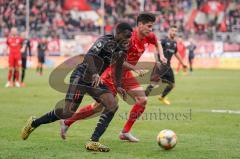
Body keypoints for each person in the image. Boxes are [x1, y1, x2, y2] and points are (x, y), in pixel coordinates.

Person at [21, 22, 133, 152]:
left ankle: (93, 142)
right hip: (81, 76)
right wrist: (96, 73)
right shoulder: (105, 41)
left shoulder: (122, 47)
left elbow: (118, 66)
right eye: (126, 35)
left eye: (130, 36)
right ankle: (34, 122)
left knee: (112, 104)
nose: (128, 38)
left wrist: (118, 85)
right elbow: (89, 56)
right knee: (67, 112)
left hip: (94, 80)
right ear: (118, 33)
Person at [59, 13, 167, 142]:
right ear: (140, 25)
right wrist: (135, 68)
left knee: (142, 100)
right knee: (99, 107)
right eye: (149, 26)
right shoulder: (128, 39)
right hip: (112, 74)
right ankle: (67, 122)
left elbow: (158, 42)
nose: (151, 29)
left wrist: (162, 56)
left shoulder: (149, 36)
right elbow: (115, 60)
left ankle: (125, 132)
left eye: (152, 27)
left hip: (126, 75)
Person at [145, 25, 187, 105]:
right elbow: (155, 49)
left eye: (175, 31)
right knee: (153, 83)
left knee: (172, 85)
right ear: (169, 31)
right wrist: (157, 61)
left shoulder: (174, 43)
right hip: (160, 65)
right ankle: (143, 98)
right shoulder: (164, 40)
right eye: (172, 30)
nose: (174, 32)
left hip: (168, 67)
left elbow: (176, 53)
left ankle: (162, 97)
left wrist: (183, 64)